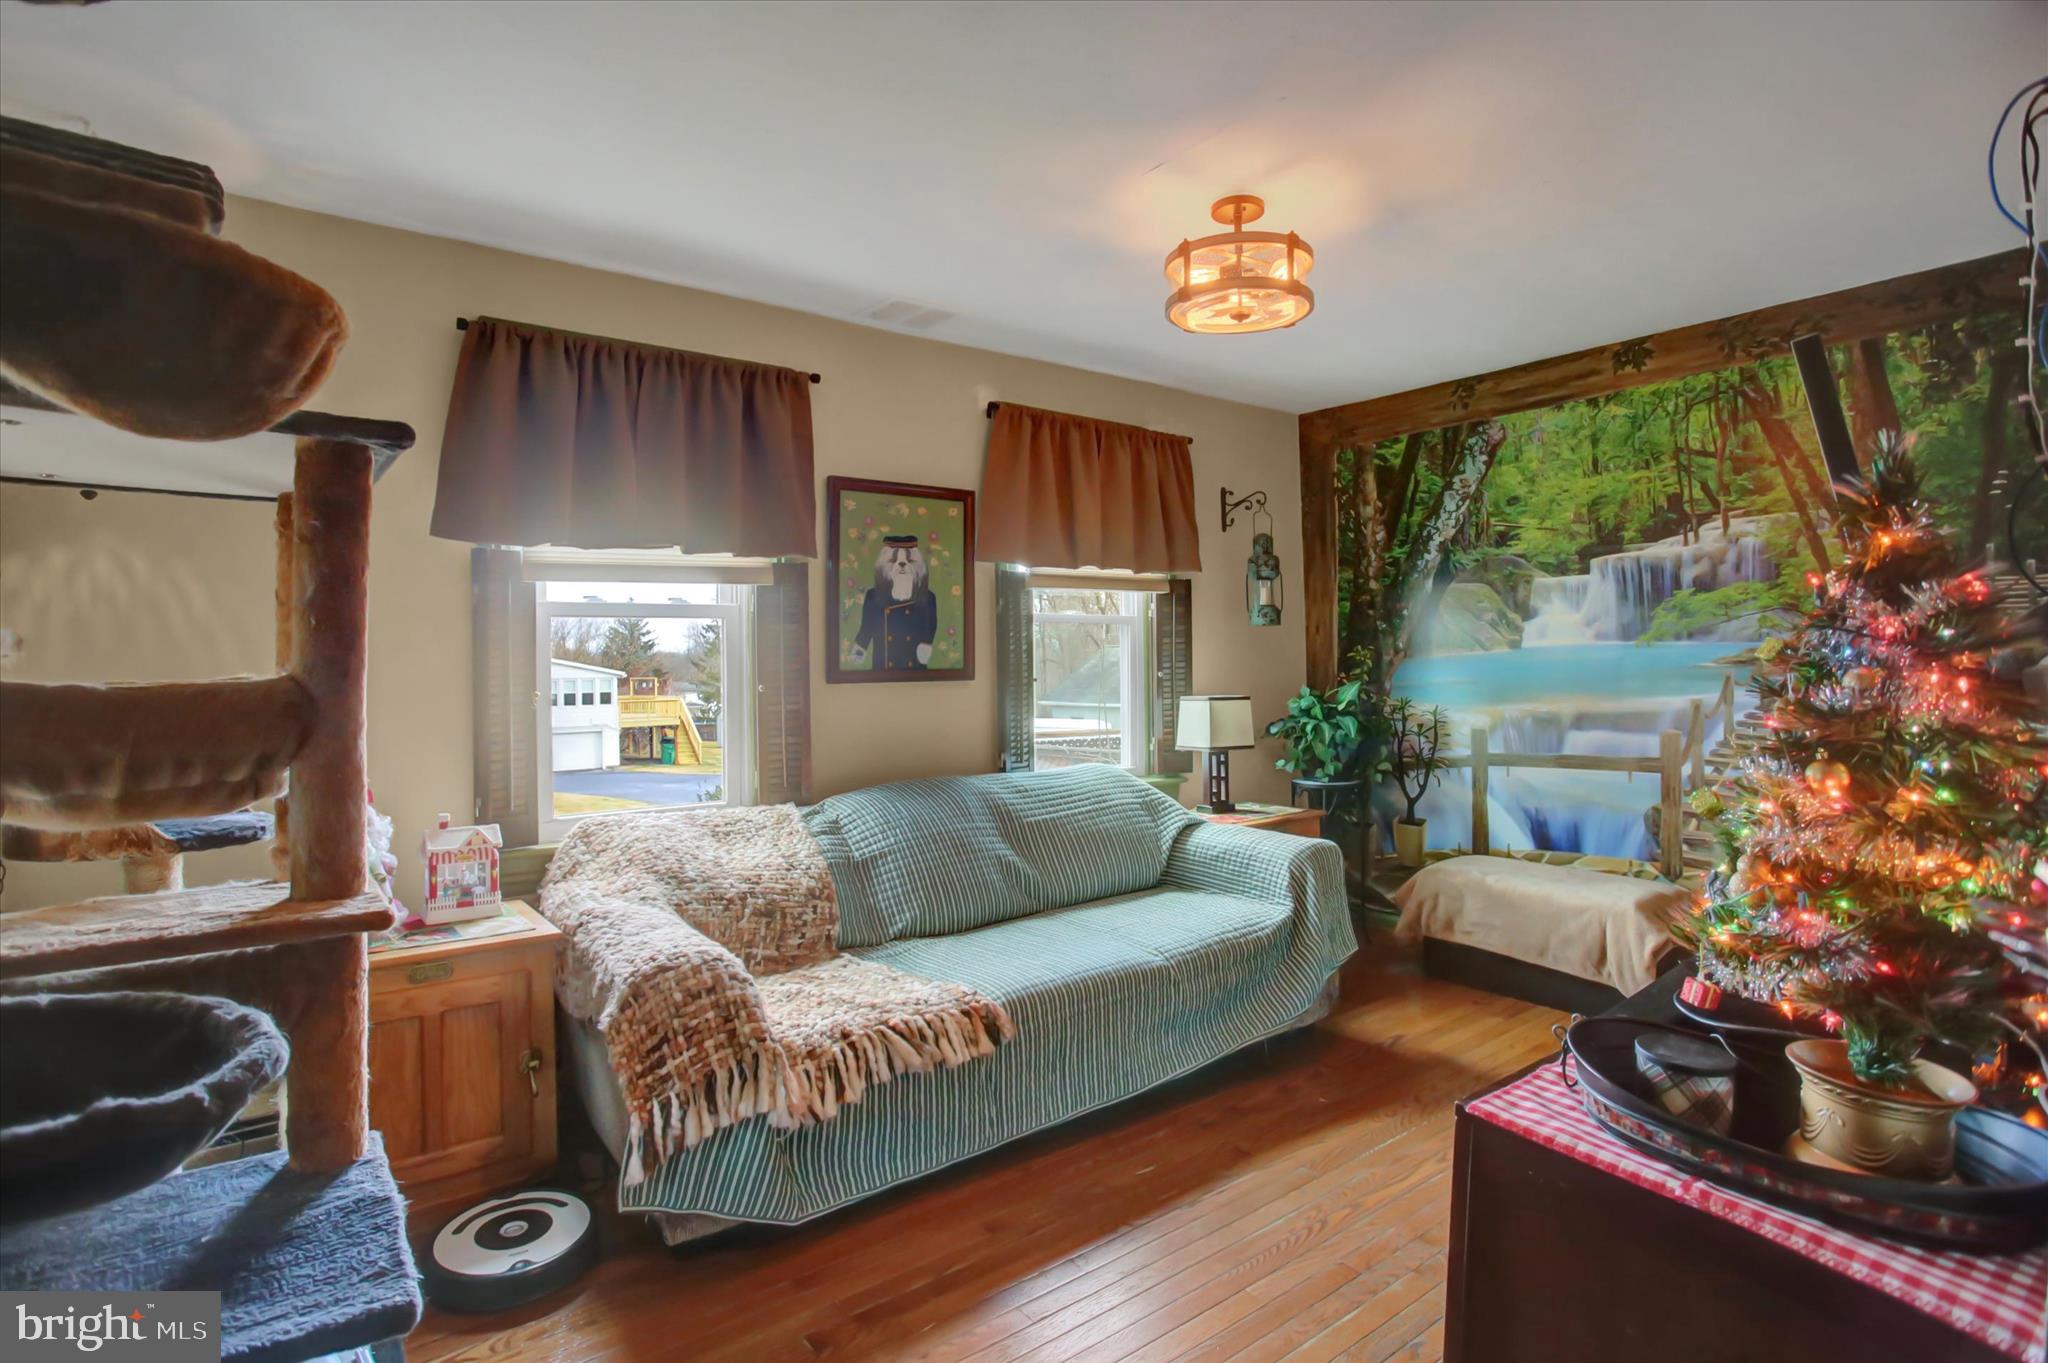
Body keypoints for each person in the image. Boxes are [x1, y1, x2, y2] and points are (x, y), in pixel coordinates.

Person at [850, 534, 938, 671]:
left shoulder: (927, 597)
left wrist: (926, 643)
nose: (902, 564)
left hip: (914, 667)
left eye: (909, 561)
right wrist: (860, 648)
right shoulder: (873, 596)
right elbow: (867, 627)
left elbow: (930, 625)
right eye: (894, 560)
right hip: (883, 667)